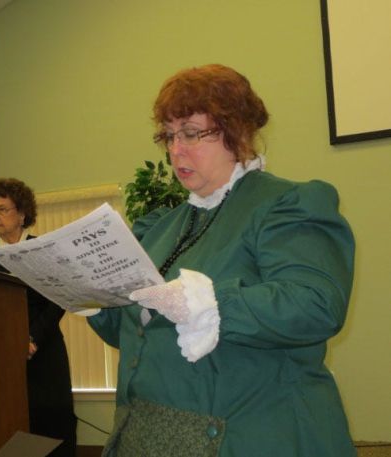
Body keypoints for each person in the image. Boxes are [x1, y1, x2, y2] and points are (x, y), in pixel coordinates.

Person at [86, 64, 356, 456]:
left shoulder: (285, 205)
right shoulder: (160, 228)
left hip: (249, 438)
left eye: (191, 133)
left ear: (237, 131)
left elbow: (316, 304)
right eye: (169, 135)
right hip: (149, 437)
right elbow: (140, 333)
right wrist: (92, 296)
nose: (176, 149)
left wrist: (209, 303)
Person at [0, 178, 77, 457]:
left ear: (22, 213)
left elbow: (57, 299)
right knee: (11, 420)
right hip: (3, 353)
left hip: (45, 343)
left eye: (2, 209)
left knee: (54, 417)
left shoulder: (44, 248)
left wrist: (33, 339)